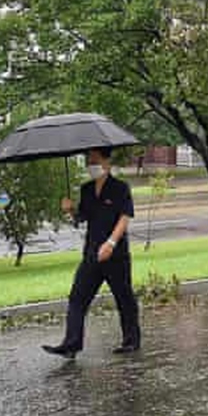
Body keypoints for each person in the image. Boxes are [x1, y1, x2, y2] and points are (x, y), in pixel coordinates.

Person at [43, 147, 141, 358]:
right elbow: (83, 218)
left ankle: (131, 341)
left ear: (107, 162)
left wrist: (111, 243)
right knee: (77, 297)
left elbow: (125, 217)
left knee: (124, 298)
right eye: (89, 161)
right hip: (92, 254)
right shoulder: (87, 189)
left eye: (95, 160)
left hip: (116, 255)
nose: (91, 165)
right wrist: (70, 210)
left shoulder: (120, 188)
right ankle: (71, 344)